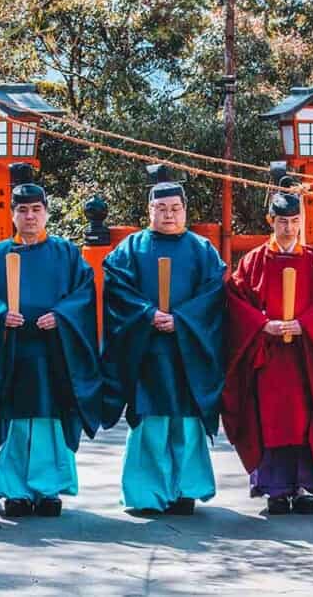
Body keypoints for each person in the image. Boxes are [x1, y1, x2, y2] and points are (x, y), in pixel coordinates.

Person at [0, 176, 104, 518]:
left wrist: (62, 316)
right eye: (22, 210)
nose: (30, 216)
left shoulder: (66, 254)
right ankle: (14, 491)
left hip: (53, 353)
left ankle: (50, 490)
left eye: (36, 209)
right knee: (14, 422)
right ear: (12, 215)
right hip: (11, 354)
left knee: (49, 420)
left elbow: (84, 294)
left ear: (46, 213)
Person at [101, 165, 225, 515]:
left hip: (188, 350)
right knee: (150, 424)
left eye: (175, 209)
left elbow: (213, 295)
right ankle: (146, 494)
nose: (169, 215)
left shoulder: (202, 250)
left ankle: (186, 490)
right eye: (161, 209)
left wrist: (182, 320)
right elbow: (118, 290)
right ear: (149, 210)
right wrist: (147, 315)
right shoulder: (131, 249)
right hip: (147, 349)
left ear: (185, 211)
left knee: (186, 423)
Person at [223, 178, 313, 515]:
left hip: (305, 359)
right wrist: (263, 324)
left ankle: (308, 487)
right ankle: (275, 489)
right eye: (282, 222)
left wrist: (306, 324)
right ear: (270, 222)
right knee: (270, 420)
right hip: (268, 359)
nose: (289, 228)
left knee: (306, 417)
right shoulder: (252, 263)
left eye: (295, 222)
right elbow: (237, 303)